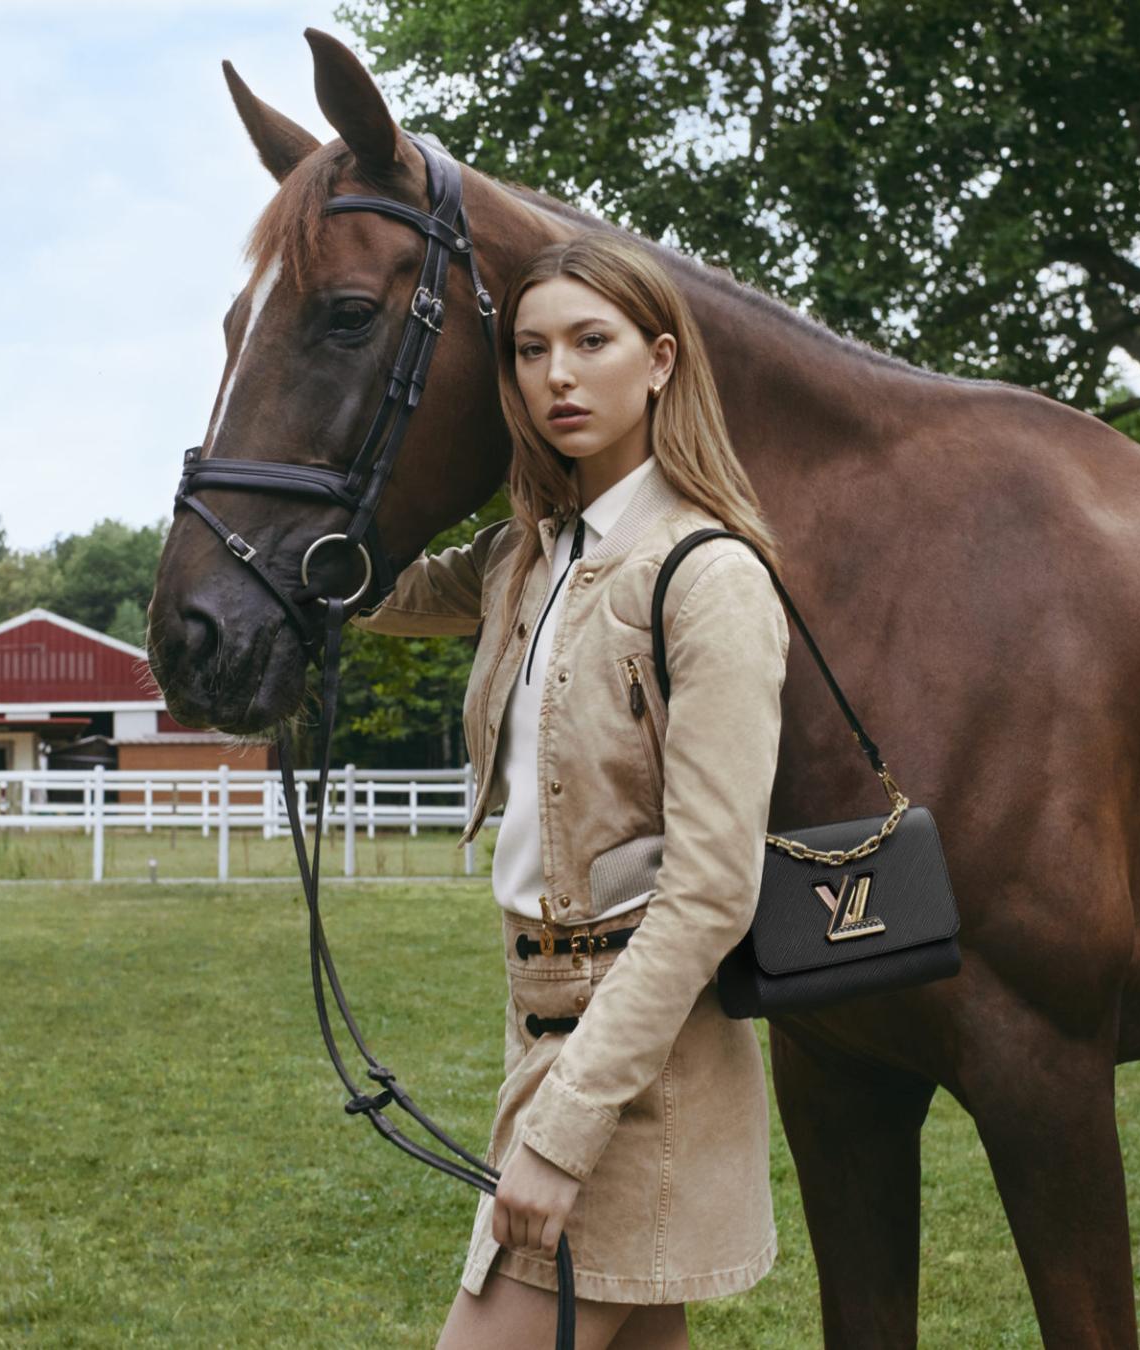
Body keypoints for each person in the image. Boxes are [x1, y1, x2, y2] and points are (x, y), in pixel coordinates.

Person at [351, 231, 790, 1349]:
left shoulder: (710, 576)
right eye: (531, 350)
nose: (556, 375)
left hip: (633, 1058)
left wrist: (561, 1131)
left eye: (590, 343)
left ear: (657, 361)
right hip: (541, 1018)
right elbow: (362, 584)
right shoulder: (526, 558)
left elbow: (709, 894)